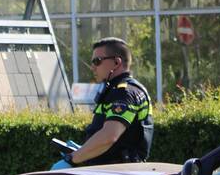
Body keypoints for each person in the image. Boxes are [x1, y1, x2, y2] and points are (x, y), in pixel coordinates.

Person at [63, 37, 153, 166]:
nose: (93, 67)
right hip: (113, 174)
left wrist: (72, 158)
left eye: (97, 61)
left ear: (117, 62)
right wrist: (83, 150)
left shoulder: (123, 93)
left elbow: (109, 136)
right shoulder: (119, 90)